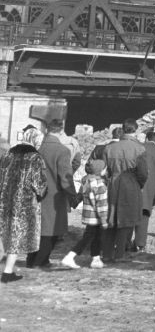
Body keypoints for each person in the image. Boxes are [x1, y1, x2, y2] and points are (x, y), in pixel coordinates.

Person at [26, 119, 78, 268]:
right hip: (54, 197)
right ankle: (41, 261)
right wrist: (73, 196)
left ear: (46, 130)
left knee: (38, 230)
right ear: (61, 131)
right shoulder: (62, 151)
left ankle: (31, 260)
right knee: (52, 232)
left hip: (35, 195)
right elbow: (65, 177)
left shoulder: (36, 150)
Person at [0, 127, 48, 283]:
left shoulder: (8, 154)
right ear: (36, 140)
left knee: (2, 236)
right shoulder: (35, 157)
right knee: (15, 236)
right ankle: (7, 272)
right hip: (24, 204)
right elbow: (40, 184)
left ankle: (7, 272)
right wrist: (41, 195)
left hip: (4, 200)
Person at [103, 119, 148, 263]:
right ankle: (120, 254)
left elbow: (103, 170)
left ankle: (107, 253)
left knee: (111, 217)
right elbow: (143, 173)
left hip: (112, 183)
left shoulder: (109, 148)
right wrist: (138, 184)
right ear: (135, 130)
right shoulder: (139, 149)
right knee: (126, 219)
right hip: (131, 183)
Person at [61, 158, 109, 269]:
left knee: (96, 238)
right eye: (104, 169)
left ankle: (96, 259)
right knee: (87, 239)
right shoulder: (100, 186)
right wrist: (104, 221)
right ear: (100, 171)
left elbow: (80, 196)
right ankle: (70, 256)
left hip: (89, 216)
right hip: (96, 217)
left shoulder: (87, 182)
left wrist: (74, 202)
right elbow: (101, 206)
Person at [133, 129, 155, 252]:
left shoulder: (137, 147)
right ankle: (140, 243)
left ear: (146, 138)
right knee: (144, 215)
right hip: (151, 189)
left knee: (129, 214)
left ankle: (124, 243)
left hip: (134, 185)